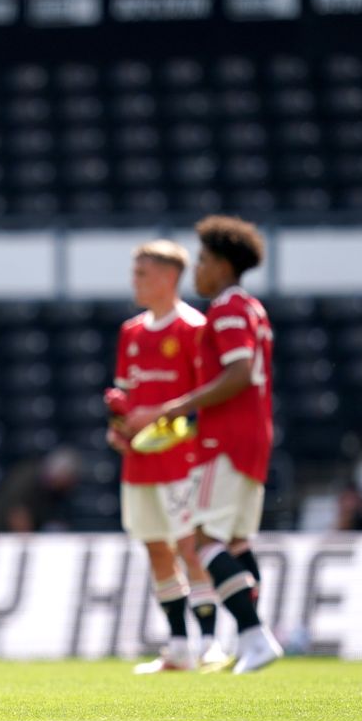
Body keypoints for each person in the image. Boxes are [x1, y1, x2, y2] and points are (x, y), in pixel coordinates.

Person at [128, 215, 283, 675]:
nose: (198, 270)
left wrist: (173, 408)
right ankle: (250, 636)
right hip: (254, 436)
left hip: (227, 438)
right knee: (236, 543)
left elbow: (237, 374)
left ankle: (255, 636)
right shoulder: (253, 308)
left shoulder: (229, 309)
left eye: (203, 261)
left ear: (221, 264)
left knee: (199, 541)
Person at [106, 240, 226, 674]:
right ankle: (178, 646)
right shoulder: (131, 332)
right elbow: (127, 396)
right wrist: (119, 428)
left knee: (190, 547)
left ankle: (211, 642)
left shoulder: (195, 328)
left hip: (183, 461)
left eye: (143, 273)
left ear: (169, 277)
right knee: (156, 548)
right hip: (140, 464)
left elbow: (208, 400)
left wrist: (159, 418)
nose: (134, 281)